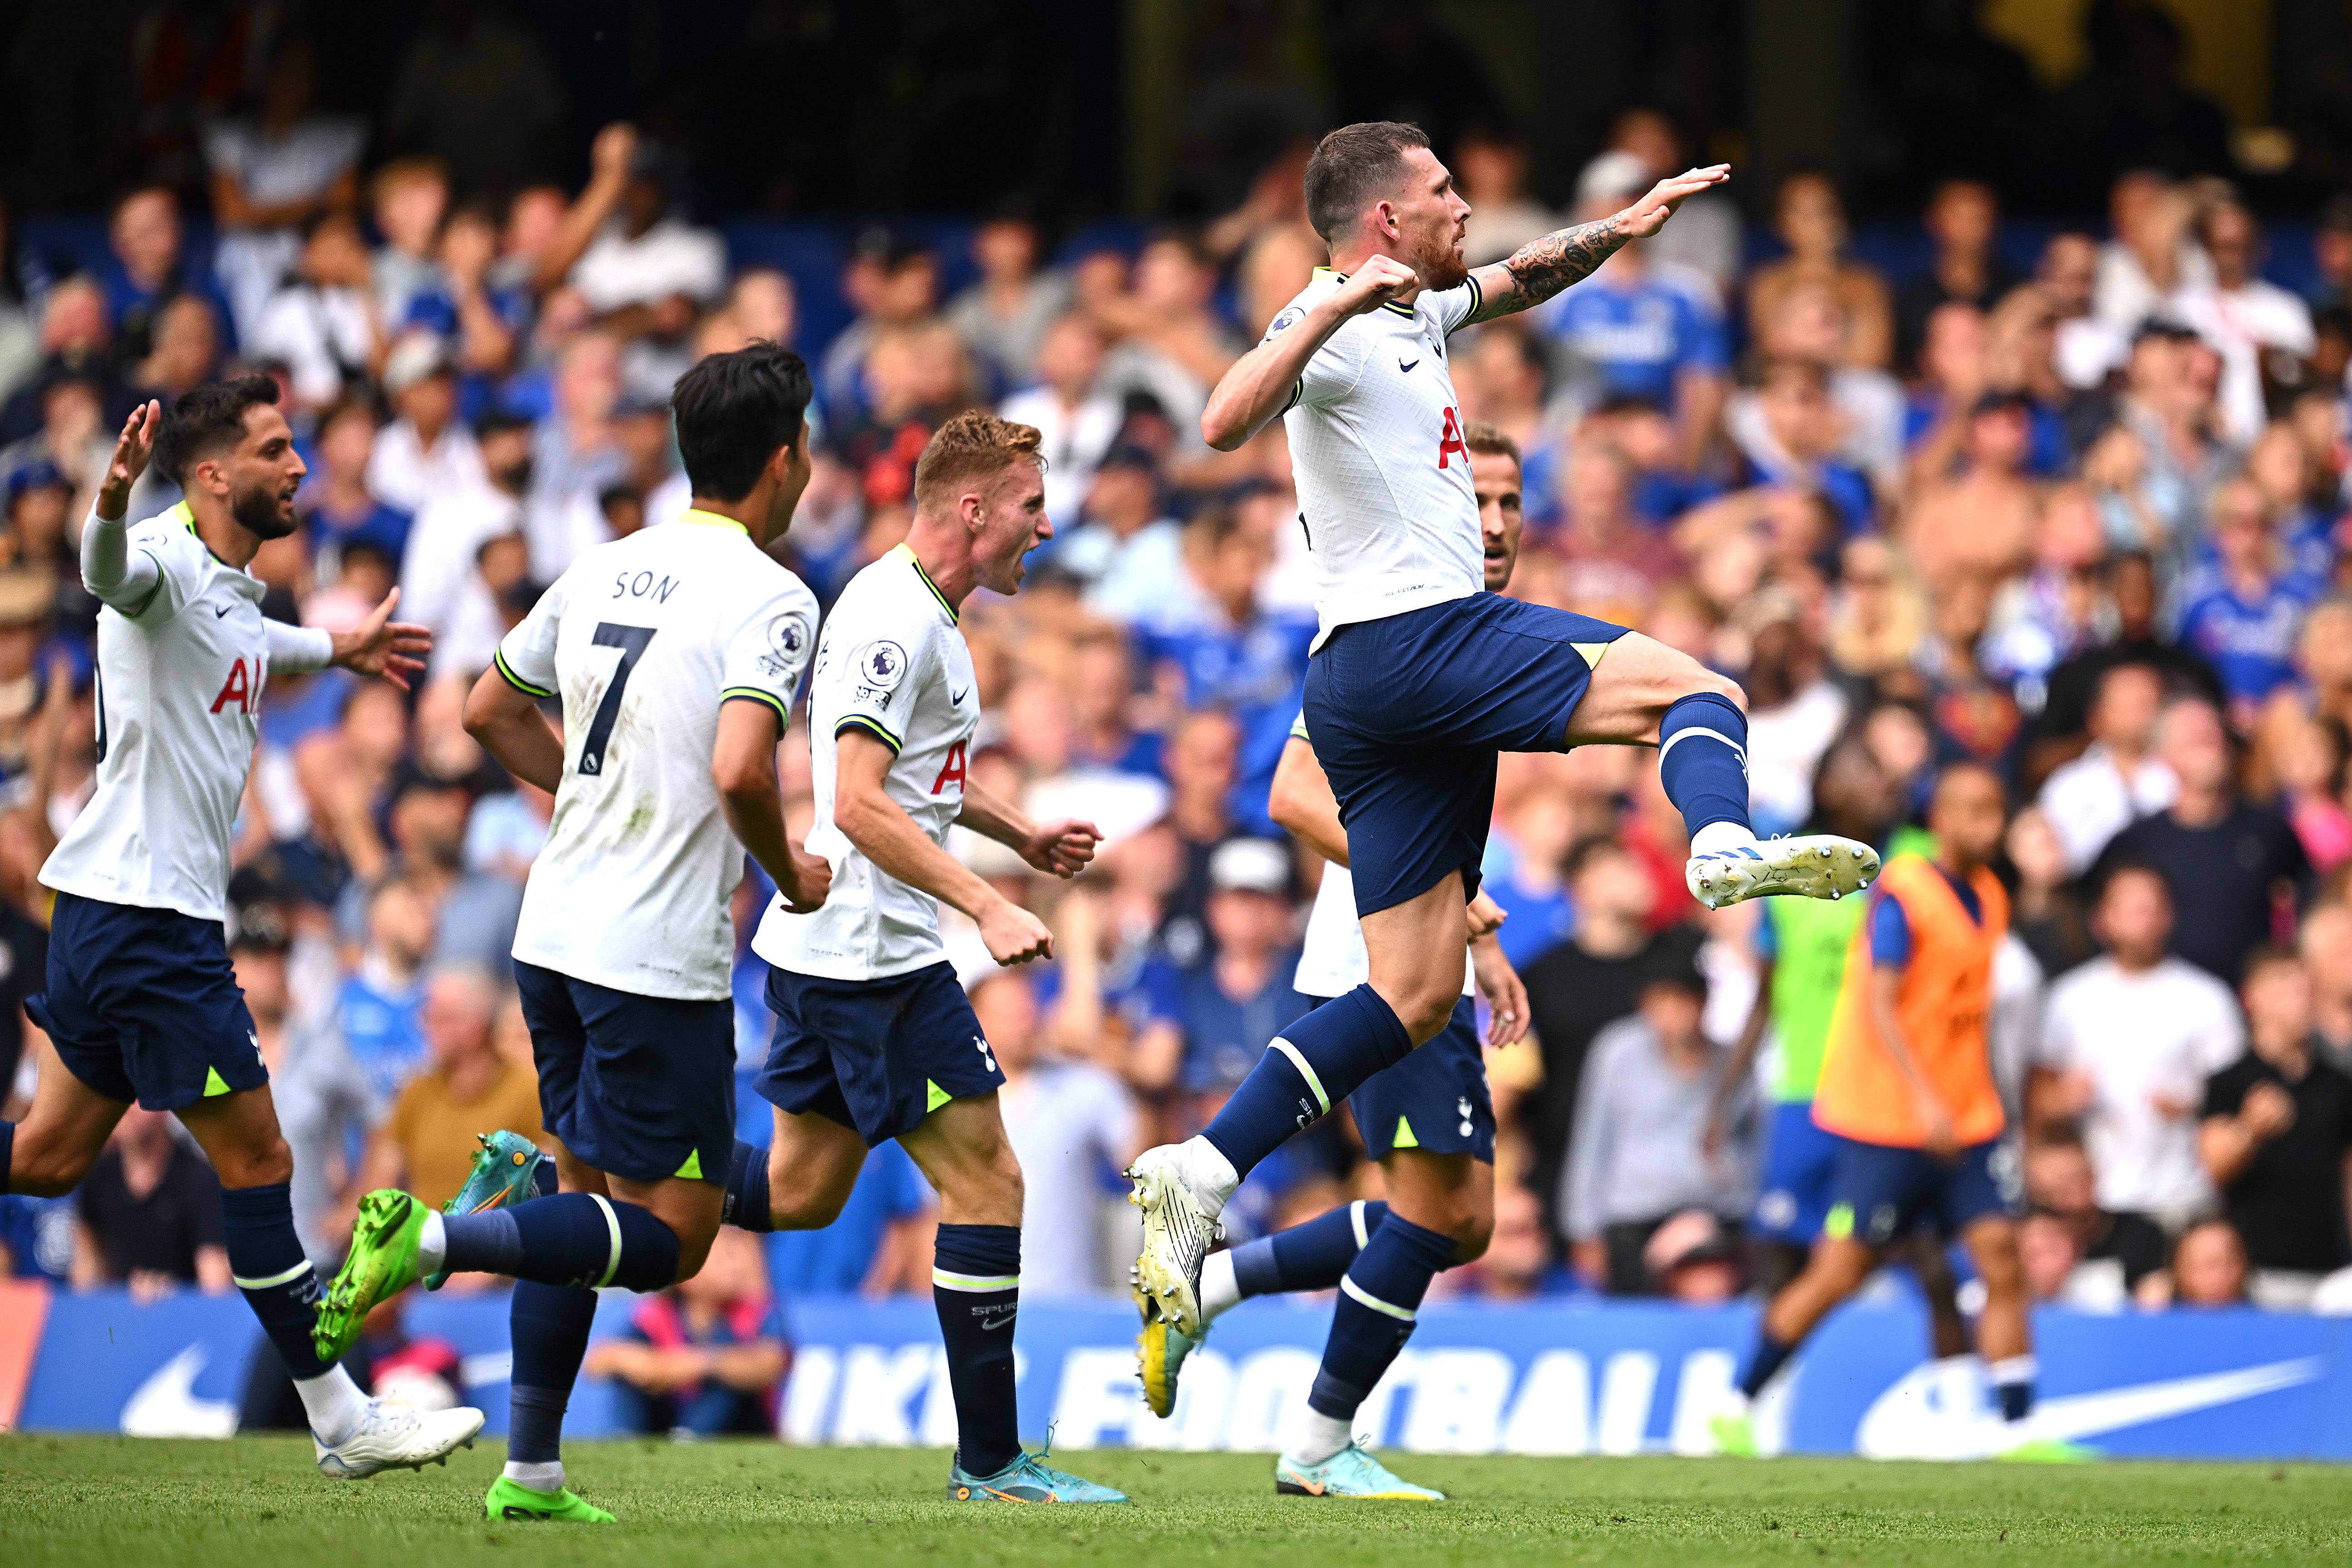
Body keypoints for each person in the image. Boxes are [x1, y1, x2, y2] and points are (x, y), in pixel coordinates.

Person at [1129, 121, 1880, 1358]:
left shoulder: (1416, 313)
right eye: (1438, 193)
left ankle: (1201, 1167)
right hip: (1419, 641)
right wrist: (1322, 307)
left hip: (1363, 684)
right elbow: (1218, 421)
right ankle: (1718, 841)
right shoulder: (1334, 309)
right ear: (1379, 218)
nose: (1463, 206)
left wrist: (1624, 229)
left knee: (1416, 990)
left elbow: (1521, 277)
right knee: (1697, 689)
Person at [315, 344, 831, 1524]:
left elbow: (485, 705)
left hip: (552, 929)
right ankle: (434, 1238)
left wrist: (586, 798)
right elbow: (744, 764)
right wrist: (785, 867)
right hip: (651, 954)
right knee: (669, 1238)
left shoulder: (604, 565)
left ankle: (532, 1469)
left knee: (579, 1190)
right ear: (785, 458)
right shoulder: (772, 594)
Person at [0, 376, 469, 1478]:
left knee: (55, 1156)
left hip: (113, 914)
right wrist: (108, 499)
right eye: (275, 448)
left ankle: (343, 1419)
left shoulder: (231, 588)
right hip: (151, 924)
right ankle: (345, 1421)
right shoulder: (158, 558)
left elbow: (251, 640)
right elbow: (107, 575)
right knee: (260, 1158)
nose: (298, 463)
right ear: (213, 474)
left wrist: (339, 649)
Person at [720, 411, 1125, 1506]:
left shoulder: (932, 612)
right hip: (873, 956)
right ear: (971, 505)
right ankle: (990, 1460)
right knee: (988, 1181)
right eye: (1031, 503)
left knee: (798, 1193)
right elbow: (852, 802)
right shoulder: (893, 616)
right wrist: (988, 906)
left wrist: (1021, 835)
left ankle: (588, 1167)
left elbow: (918, 779)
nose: (1044, 525)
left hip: (831, 950)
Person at [1141, 420, 1534, 1499]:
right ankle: (1317, 1439)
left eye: (1510, 503)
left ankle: (1214, 1285)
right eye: (1478, 499)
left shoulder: (1464, 621)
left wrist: (1472, 926)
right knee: (1432, 1216)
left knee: (1460, 1217)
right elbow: (1295, 795)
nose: (1494, 523)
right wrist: (1454, 905)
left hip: (1419, 953)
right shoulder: (1396, 617)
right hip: (1383, 965)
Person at [1715, 765, 2078, 1462]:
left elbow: (1969, 1016)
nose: (1986, 823)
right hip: (1889, 1119)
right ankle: (1735, 1404)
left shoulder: (1990, 894)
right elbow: (1879, 1001)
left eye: (1994, 810)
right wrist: (1921, 1096)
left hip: (1967, 1118)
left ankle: (2016, 1427)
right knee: (1839, 1270)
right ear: (1937, 818)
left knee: (1999, 1258)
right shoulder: (1901, 894)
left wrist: (1988, 1103)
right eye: (1970, 809)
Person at [1714, 737, 1933, 1290]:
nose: (1885, 781)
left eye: (1887, 770)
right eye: (1868, 768)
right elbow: (1767, 993)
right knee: (1779, 1238)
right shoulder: (1785, 868)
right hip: (1807, 1087)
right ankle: (1776, 1367)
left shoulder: (1922, 858)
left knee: (1903, 1242)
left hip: (1896, 1090)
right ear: (1830, 788)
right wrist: (1723, 1098)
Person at [2033, 864, 2241, 1234]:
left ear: (2169, 916)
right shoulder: (2068, 999)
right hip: (2090, 1205)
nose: (2142, 919)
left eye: (2151, 907)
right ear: (2101, 919)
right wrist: (2062, 1101)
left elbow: (2235, 1106)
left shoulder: (2208, 999)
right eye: (2130, 908)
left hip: (2182, 1200)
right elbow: (2036, 1103)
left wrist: (2192, 1106)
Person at [2100, 697, 2310, 984]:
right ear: (2164, 756)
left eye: (2215, 736)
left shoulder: (2270, 832)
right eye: (2196, 740)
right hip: (2161, 1006)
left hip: (2252, 1005)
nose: (2210, 747)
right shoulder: (2135, 844)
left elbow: (2309, 902)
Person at [2199, 947, 2352, 1292]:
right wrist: (2249, 1129)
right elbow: (2212, 1167)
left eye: (2305, 989)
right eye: (2286, 989)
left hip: (2330, 1270)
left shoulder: (2336, 1084)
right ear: (2252, 998)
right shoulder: (2229, 1082)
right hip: (2255, 1273)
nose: (2300, 1001)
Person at [583, 1227, 786, 1439]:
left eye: (737, 1255)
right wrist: (651, 1365)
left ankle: (689, 1439)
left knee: (730, 1369)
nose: (736, 1267)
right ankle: (626, 1440)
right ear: (687, 1269)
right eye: (724, 1257)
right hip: (668, 1417)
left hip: (741, 1430)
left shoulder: (757, 1313)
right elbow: (597, 1361)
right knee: (628, 1374)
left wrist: (701, 1364)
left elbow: (771, 1364)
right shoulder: (660, 1314)